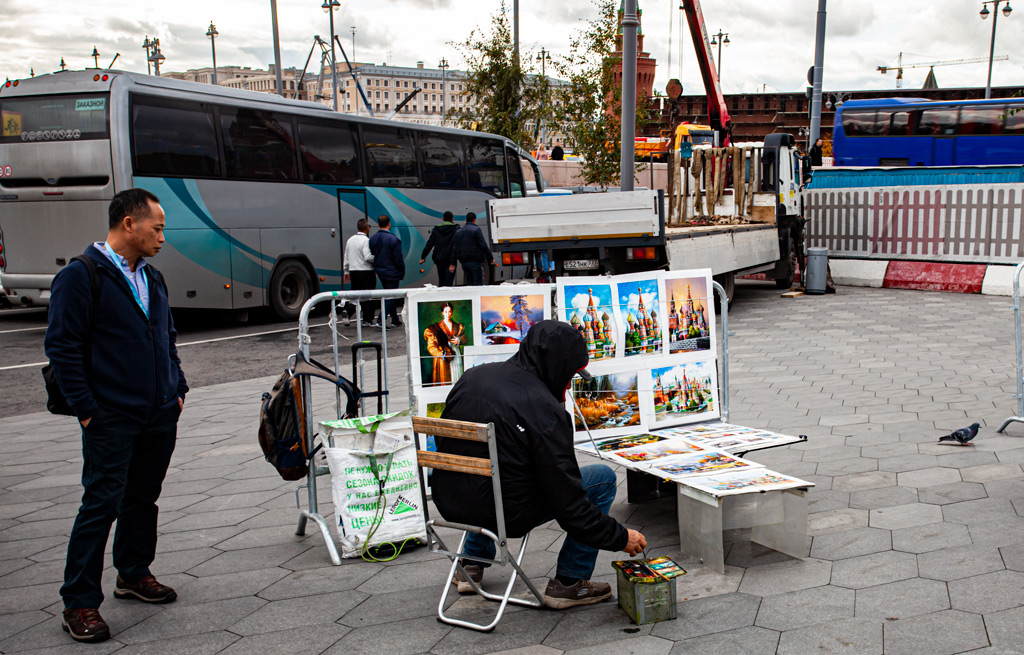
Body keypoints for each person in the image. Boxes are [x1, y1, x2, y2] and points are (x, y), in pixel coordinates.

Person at [44, 188, 188, 643]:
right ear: (130, 223)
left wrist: (177, 388)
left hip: (159, 411)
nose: (162, 236)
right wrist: (88, 411)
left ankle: (133, 572)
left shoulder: (154, 276)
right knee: (101, 502)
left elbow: (167, 337)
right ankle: (80, 601)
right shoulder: (82, 275)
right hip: (110, 416)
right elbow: (62, 349)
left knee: (143, 497)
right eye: (158, 227)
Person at [432, 320, 646, 609]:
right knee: (603, 478)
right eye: (570, 375)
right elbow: (570, 505)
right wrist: (621, 537)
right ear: (557, 366)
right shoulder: (544, 409)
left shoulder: (472, 377)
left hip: (450, 500)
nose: (570, 384)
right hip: (508, 512)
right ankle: (569, 583)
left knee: (490, 469)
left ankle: (471, 562)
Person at [368, 214, 405, 328]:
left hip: (380, 271)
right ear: (389, 224)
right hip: (392, 272)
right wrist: (401, 270)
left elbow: (373, 253)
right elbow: (398, 258)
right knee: (391, 296)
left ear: (378, 224)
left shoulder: (373, 238)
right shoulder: (393, 239)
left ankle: (395, 319)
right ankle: (381, 320)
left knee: (389, 293)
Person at [423, 301, 466, 385]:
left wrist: (459, 340)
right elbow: (431, 347)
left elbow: (465, 338)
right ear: (442, 313)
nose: (448, 314)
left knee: (458, 377)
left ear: (452, 312)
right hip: (443, 356)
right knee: (446, 380)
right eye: (446, 312)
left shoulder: (457, 326)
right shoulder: (436, 328)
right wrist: (441, 353)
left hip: (456, 354)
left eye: (449, 311)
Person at [343, 217, 375, 326]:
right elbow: (367, 257)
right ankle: (367, 319)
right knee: (368, 296)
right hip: (365, 271)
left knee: (355, 295)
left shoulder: (350, 240)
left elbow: (346, 257)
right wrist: (377, 257)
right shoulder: (366, 240)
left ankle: (347, 311)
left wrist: (346, 271)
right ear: (367, 228)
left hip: (353, 271)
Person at [451, 212, 494, 286]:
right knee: (477, 283)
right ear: (474, 220)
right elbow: (483, 245)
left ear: (466, 220)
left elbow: (455, 248)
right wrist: (490, 258)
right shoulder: (476, 230)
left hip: (464, 262)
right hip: (475, 261)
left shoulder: (459, 231)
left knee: (469, 283)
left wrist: (452, 263)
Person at [419, 211, 460, 287]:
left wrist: (423, 256)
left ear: (443, 219)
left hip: (439, 260)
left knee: (441, 281)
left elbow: (429, 244)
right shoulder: (456, 229)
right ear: (452, 219)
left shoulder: (436, 229)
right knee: (449, 283)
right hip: (450, 259)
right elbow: (458, 245)